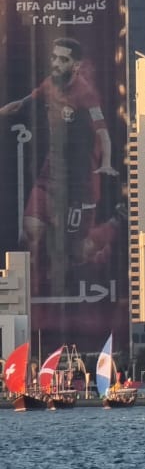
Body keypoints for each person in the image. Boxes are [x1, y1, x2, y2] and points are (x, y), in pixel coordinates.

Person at [0, 36, 120, 293]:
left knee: (76, 253)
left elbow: (103, 133)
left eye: (62, 59)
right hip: (48, 177)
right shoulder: (49, 84)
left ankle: (118, 220)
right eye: (54, 57)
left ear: (75, 66)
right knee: (29, 234)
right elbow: (22, 103)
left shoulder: (86, 94)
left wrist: (107, 162)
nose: (55, 63)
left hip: (79, 186)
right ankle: (28, 292)